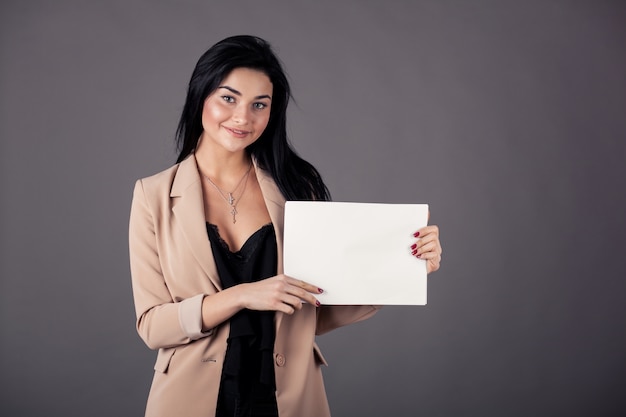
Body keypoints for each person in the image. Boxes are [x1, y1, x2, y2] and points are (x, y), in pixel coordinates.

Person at [129, 35, 442, 417]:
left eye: (259, 104)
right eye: (229, 98)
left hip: (285, 398)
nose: (243, 117)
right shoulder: (153, 195)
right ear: (201, 96)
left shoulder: (296, 186)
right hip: (188, 399)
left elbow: (316, 311)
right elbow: (153, 326)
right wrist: (243, 295)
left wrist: (402, 267)